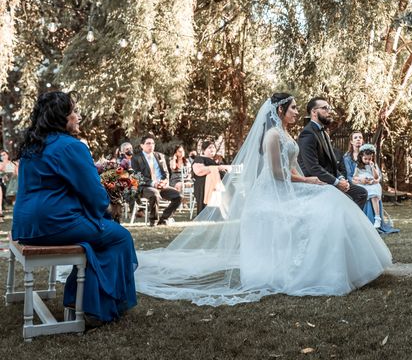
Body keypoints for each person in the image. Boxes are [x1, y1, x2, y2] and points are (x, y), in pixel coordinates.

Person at [134, 93, 392, 306]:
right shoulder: (272, 136)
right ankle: (317, 270)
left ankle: (347, 266)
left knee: (331, 200)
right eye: (292, 108)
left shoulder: (285, 134)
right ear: (280, 111)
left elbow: (290, 169)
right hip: (271, 194)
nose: (295, 112)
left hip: (288, 188)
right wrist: (309, 181)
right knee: (327, 201)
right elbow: (278, 174)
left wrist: (310, 182)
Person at [10, 91, 137, 322]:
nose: (79, 117)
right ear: (62, 117)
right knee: (120, 237)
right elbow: (96, 197)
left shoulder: (32, 146)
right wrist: (108, 207)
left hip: (24, 226)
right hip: (54, 224)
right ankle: (92, 307)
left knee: (97, 237)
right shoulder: (71, 146)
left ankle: (78, 297)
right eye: (74, 112)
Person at [297, 98, 368, 209]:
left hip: (331, 179)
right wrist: (336, 183)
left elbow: (332, 164)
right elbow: (312, 168)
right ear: (314, 112)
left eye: (329, 108)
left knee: (361, 193)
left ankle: (349, 224)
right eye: (325, 108)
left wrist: (341, 178)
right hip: (317, 183)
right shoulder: (307, 133)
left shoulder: (324, 133)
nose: (329, 111)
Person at [130, 135, 182, 226]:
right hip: (145, 187)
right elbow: (137, 176)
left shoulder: (160, 156)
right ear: (142, 145)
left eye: (153, 143)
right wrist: (153, 183)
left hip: (161, 186)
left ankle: (164, 219)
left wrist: (164, 182)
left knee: (178, 196)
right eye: (148, 143)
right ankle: (153, 221)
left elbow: (166, 173)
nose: (151, 145)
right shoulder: (136, 158)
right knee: (154, 193)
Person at [192, 141, 229, 215]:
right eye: (209, 148)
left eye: (213, 147)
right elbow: (199, 171)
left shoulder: (218, 159)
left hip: (219, 183)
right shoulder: (199, 159)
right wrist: (216, 168)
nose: (212, 149)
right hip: (203, 184)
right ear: (203, 150)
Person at [353, 144, 383, 228]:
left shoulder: (373, 165)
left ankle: (377, 218)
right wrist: (360, 180)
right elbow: (354, 176)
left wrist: (372, 167)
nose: (367, 160)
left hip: (372, 184)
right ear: (361, 157)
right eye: (365, 158)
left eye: (369, 158)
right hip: (363, 183)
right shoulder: (358, 166)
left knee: (374, 194)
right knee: (362, 192)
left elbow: (376, 177)